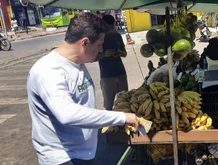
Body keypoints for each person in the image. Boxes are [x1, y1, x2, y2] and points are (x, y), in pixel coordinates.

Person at [27, 12, 141, 165]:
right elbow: (68, 114)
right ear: (85, 42)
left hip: (84, 152)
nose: (101, 50)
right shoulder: (48, 71)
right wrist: (121, 117)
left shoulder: (78, 63)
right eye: (99, 45)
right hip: (64, 158)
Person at [96, 15, 128, 111]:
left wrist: (120, 53)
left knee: (125, 102)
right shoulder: (98, 38)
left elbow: (125, 53)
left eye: (112, 26)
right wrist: (105, 54)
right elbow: (93, 58)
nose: (111, 29)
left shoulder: (117, 36)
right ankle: (111, 125)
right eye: (108, 27)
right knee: (109, 105)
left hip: (121, 73)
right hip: (107, 76)